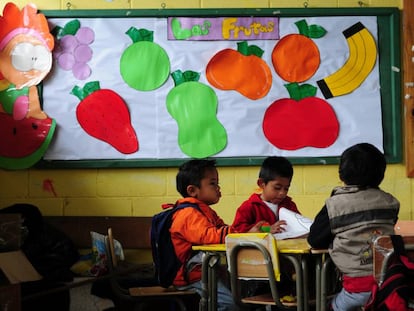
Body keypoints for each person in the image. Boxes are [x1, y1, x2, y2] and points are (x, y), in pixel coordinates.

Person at [307, 143, 400, 311]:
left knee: (332, 306)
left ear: (342, 174)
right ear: (381, 174)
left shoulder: (335, 206)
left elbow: (315, 240)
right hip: (389, 282)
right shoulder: (390, 202)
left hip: (357, 287)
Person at [169, 159, 261, 311]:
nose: (218, 188)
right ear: (192, 190)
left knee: (247, 293)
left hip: (209, 269)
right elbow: (210, 236)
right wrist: (244, 234)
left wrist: (246, 232)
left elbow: (223, 230)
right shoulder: (187, 213)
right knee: (230, 305)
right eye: (213, 183)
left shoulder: (205, 211)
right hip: (193, 276)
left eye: (218, 183)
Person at [232, 156, 300, 234]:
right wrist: (267, 229)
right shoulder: (249, 207)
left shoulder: (289, 205)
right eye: (277, 188)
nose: (282, 193)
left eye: (286, 188)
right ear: (261, 184)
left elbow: (299, 225)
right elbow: (237, 230)